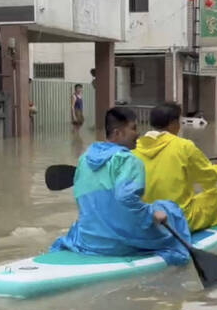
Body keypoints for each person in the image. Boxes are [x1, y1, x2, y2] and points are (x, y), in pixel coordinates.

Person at [50, 107, 192, 265]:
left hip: (88, 240)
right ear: (118, 133)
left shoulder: (84, 160)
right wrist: (151, 213)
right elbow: (126, 198)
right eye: (133, 128)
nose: (138, 133)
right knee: (169, 208)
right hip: (118, 244)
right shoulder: (128, 160)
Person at [133, 102, 217, 232]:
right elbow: (209, 178)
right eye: (179, 121)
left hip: (146, 218)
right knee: (216, 193)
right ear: (173, 123)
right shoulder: (184, 146)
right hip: (178, 219)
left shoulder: (134, 148)